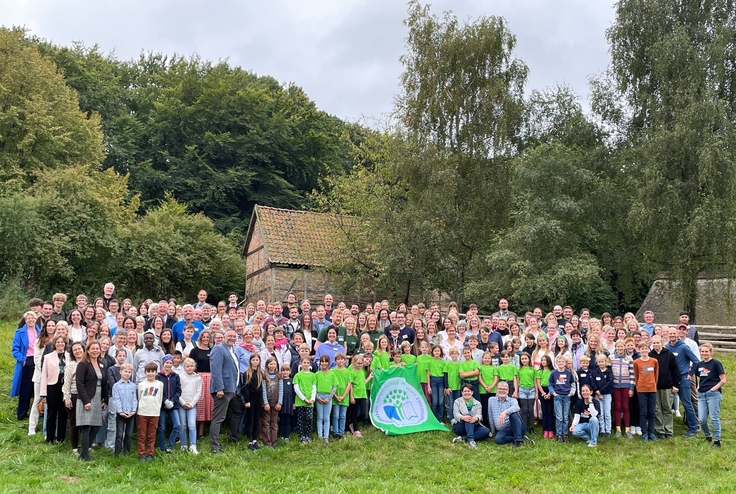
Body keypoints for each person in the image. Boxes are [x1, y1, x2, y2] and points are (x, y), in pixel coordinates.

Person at [209, 329, 245, 454]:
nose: (232, 338)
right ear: (224, 337)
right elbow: (216, 369)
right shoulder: (219, 349)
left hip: (231, 390)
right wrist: (219, 388)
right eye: (229, 336)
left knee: (239, 410)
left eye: (234, 336)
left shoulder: (231, 350)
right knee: (219, 418)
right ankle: (214, 446)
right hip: (223, 390)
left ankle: (233, 437)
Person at [76, 340, 109, 462]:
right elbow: (79, 384)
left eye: (97, 348)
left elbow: (105, 383)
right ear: (88, 351)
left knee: (96, 426)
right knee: (86, 427)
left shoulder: (101, 365)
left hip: (98, 397)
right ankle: (86, 455)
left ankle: (82, 454)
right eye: (93, 349)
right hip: (87, 398)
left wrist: (105, 399)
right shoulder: (83, 364)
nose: (95, 351)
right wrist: (86, 401)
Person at [665, 328, 700, 437]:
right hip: (671, 380)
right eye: (670, 334)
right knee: (666, 405)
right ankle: (666, 428)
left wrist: (691, 373)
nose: (672, 335)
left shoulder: (684, 347)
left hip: (683, 379)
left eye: (674, 334)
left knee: (687, 403)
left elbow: (696, 361)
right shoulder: (667, 347)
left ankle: (693, 428)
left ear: (677, 334)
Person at [11, 311, 41, 422]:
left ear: (36, 319)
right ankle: (22, 413)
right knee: (26, 388)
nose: (31, 320)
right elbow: (15, 349)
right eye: (28, 318)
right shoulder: (20, 332)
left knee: (36, 388)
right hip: (27, 361)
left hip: (38, 360)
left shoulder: (40, 331)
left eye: (33, 318)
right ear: (25, 320)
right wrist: (22, 360)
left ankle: (37, 411)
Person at [40, 335, 69, 444]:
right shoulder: (48, 357)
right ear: (54, 344)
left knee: (63, 413)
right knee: (51, 413)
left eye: (62, 342)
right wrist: (43, 394)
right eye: (58, 342)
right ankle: (50, 438)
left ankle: (60, 438)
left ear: (65, 344)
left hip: (65, 387)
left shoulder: (69, 356)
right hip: (52, 386)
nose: (60, 344)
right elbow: (44, 376)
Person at [696, 343, 726, 448]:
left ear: (710, 352)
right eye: (702, 351)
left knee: (714, 418)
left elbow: (723, 380)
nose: (704, 353)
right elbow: (701, 378)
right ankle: (708, 436)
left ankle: (717, 440)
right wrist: (698, 387)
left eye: (706, 351)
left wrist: (713, 389)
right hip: (701, 395)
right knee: (702, 418)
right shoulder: (700, 365)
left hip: (713, 394)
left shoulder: (716, 363)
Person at [487, 381, 530, 448]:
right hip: (504, 430)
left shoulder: (512, 400)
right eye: (500, 389)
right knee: (498, 439)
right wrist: (493, 431)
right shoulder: (491, 400)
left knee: (514, 414)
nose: (502, 391)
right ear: (497, 390)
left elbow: (517, 407)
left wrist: (505, 412)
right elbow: (490, 415)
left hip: (516, 427)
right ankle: (522, 439)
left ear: (507, 391)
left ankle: (518, 440)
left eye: (504, 389)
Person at [449, 383, 490, 449]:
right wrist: (463, 417)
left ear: (472, 392)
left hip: (473, 425)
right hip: (460, 426)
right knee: (468, 416)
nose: (467, 393)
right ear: (462, 392)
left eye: (469, 391)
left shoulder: (478, 403)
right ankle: (471, 440)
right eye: (465, 391)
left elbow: (479, 415)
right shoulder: (457, 401)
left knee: (486, 431)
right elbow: (456, 414)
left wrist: (476, 418)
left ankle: (462, 439)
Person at [137, 362, 163, 461]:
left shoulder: (160, 384)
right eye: (148, 371)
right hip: (142, 412)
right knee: (142, 435)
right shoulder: (141, 384)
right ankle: (141, 454)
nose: (150, 374)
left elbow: (159, 399)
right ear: (145, 372)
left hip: (154, 413)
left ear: (156, 372)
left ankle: (150, 454)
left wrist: (157, 409)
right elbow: (139, 398)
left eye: (153, 371)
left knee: (151, 435)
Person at [156, 354, 182, 453]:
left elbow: (179, 391)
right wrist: (165, 401)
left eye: (170, 363)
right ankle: (162, 448)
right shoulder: (158, 376)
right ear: (164, 363)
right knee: (162, 427)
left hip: (173, 405)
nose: (169, 365)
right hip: (162, 406)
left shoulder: (176, 376)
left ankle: (170, 446)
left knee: (177, 425)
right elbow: (158, 391)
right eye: (167, 362)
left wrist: (172, 401)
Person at [633, 341, 658, 442]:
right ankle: (644, 433)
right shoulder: (636, 362)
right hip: (642, 389)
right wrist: (638, 387)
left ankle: (651, 432)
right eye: (642, 348)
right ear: (639, 350)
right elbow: (636, 376)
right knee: (643, 412)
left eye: (646, 348)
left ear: (648, 349)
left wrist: (653, 384)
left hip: (652, 388)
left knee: (651, 412)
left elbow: (656, 375)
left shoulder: (654, 361)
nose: (644, 350)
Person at [111, 363, 137, 456]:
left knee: (129, 435)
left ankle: (127, 452)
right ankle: (117, 453)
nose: (127, 373)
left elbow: (134, 398)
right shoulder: (116, 386)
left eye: (129, 372)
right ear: (120, 372)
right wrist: (120, 411)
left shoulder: (133, 386)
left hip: (131, 413)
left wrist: (133, 410)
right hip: (120, 414)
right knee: (119, 434)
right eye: (125, 371)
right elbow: (116, 399)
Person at [610, 340, 635, 439]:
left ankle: (627, 429)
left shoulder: (629, 358)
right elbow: (608, 371)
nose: (620, 348)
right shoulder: (611, 357)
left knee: (625, 407)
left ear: (624, 347)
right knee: (617, 406)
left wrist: (632, 388)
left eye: (622, 346)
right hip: (615, 386)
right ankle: (618, 429)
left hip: (626, 385)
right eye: (618, 346)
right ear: (615, 347)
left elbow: (632, 374)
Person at [549, 355, 575, 443]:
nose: (561, 363)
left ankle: (565, 434)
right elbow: (549, 384)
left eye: (562, 362)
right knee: (559, 417)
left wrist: (571, 393)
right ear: (556, 363)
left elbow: (572, 383)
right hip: (558, 397)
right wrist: (553, 393)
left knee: (565, 417)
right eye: (559, 362)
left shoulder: (568, 373)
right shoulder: (553, 373)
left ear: (565, 363)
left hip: (566, 397)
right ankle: (559, 434)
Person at [179, 358, 202, 454]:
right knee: (183, 425)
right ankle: (183, 444)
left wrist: (192, 404)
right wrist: (183, 403)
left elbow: (199, 392)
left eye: (191, 366)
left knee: (192, 425)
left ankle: (193, 445)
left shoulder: (197, 378)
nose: (189, 368)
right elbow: (178, 391)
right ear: (184, 367)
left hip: (192, 405)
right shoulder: (180, 376)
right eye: (187, 366)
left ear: (194, 367)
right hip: (182, 404)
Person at [241, 354, 264, 451]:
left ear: (259, 361)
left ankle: (255, 439)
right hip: (250, 399)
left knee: (256, 420)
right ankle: (249, 440)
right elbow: (245, 388)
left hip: (258, 399)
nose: (255, 361)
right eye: (253, 360)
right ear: (250, 361)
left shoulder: (260, 373)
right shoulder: (247, 373)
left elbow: (262, 388)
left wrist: (262, 400)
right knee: (250, 420)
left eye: (257, 360)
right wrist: (247, 400)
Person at [259, 356, 283, 448]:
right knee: (266, 422)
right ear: (267, 365)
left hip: (276, 403)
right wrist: (265, 403)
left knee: (274, 422)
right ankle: (267, 441)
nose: (272, 365)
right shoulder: (264, 376)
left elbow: (281, 390)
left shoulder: (279, 376)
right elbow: (263, 391)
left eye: (274, 364)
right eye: (270, 364)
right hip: (267, 404)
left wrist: (279, 402)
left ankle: (274, 441)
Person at [293, 356, 317, 443]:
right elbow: (296, 389)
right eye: (304, 363)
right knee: (300, 419)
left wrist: (312, 399)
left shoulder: (313, 375)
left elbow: (314, 388)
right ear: (301, 363)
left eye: (307, 363)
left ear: (309, 364)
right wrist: (304, 399)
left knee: (309, 418)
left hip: (310, 402)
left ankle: (308, 435)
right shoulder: (297, 375)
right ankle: (302, 435)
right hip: (300, 401)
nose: (306, 364)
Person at [591, 354, 614, 438]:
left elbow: (610, 382)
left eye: (602, 362)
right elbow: (593, 382)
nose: (601, 363)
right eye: (599, 362)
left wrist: (601, 391)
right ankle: (602, 430)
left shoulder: (609, 372)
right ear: (597, 363)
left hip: (607, 395)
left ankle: (608, 430)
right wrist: (597, 392)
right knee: (600, 413)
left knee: (607, 413)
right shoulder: (595, 372)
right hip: (597, 395)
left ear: (605, 362)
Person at [331, 353, 352, 440]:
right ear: (336, 361)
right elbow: (331, 385)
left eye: (342, 359)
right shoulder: (332, 371)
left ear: (345, 360)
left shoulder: (347, 371)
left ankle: (341, 432)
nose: (340, 361)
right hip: (335, 396)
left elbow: (349, 384)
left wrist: (343, 396)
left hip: (344, 397)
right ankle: (336, 432)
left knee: (343, 415)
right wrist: (335, 396)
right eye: (338, 359)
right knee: (335, 415)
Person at [278, 364, 294, 443]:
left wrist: (294, 403)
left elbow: (294, 393)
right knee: (281, 420)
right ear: (281, 372)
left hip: (289, 403)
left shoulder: (291, 381)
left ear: (289, 372)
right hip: (282, 403)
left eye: (287, 370)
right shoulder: (279, 381)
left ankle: (287, 436)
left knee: (288, 420)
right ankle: (281, 435)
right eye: (283, 371)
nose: (285, 372)